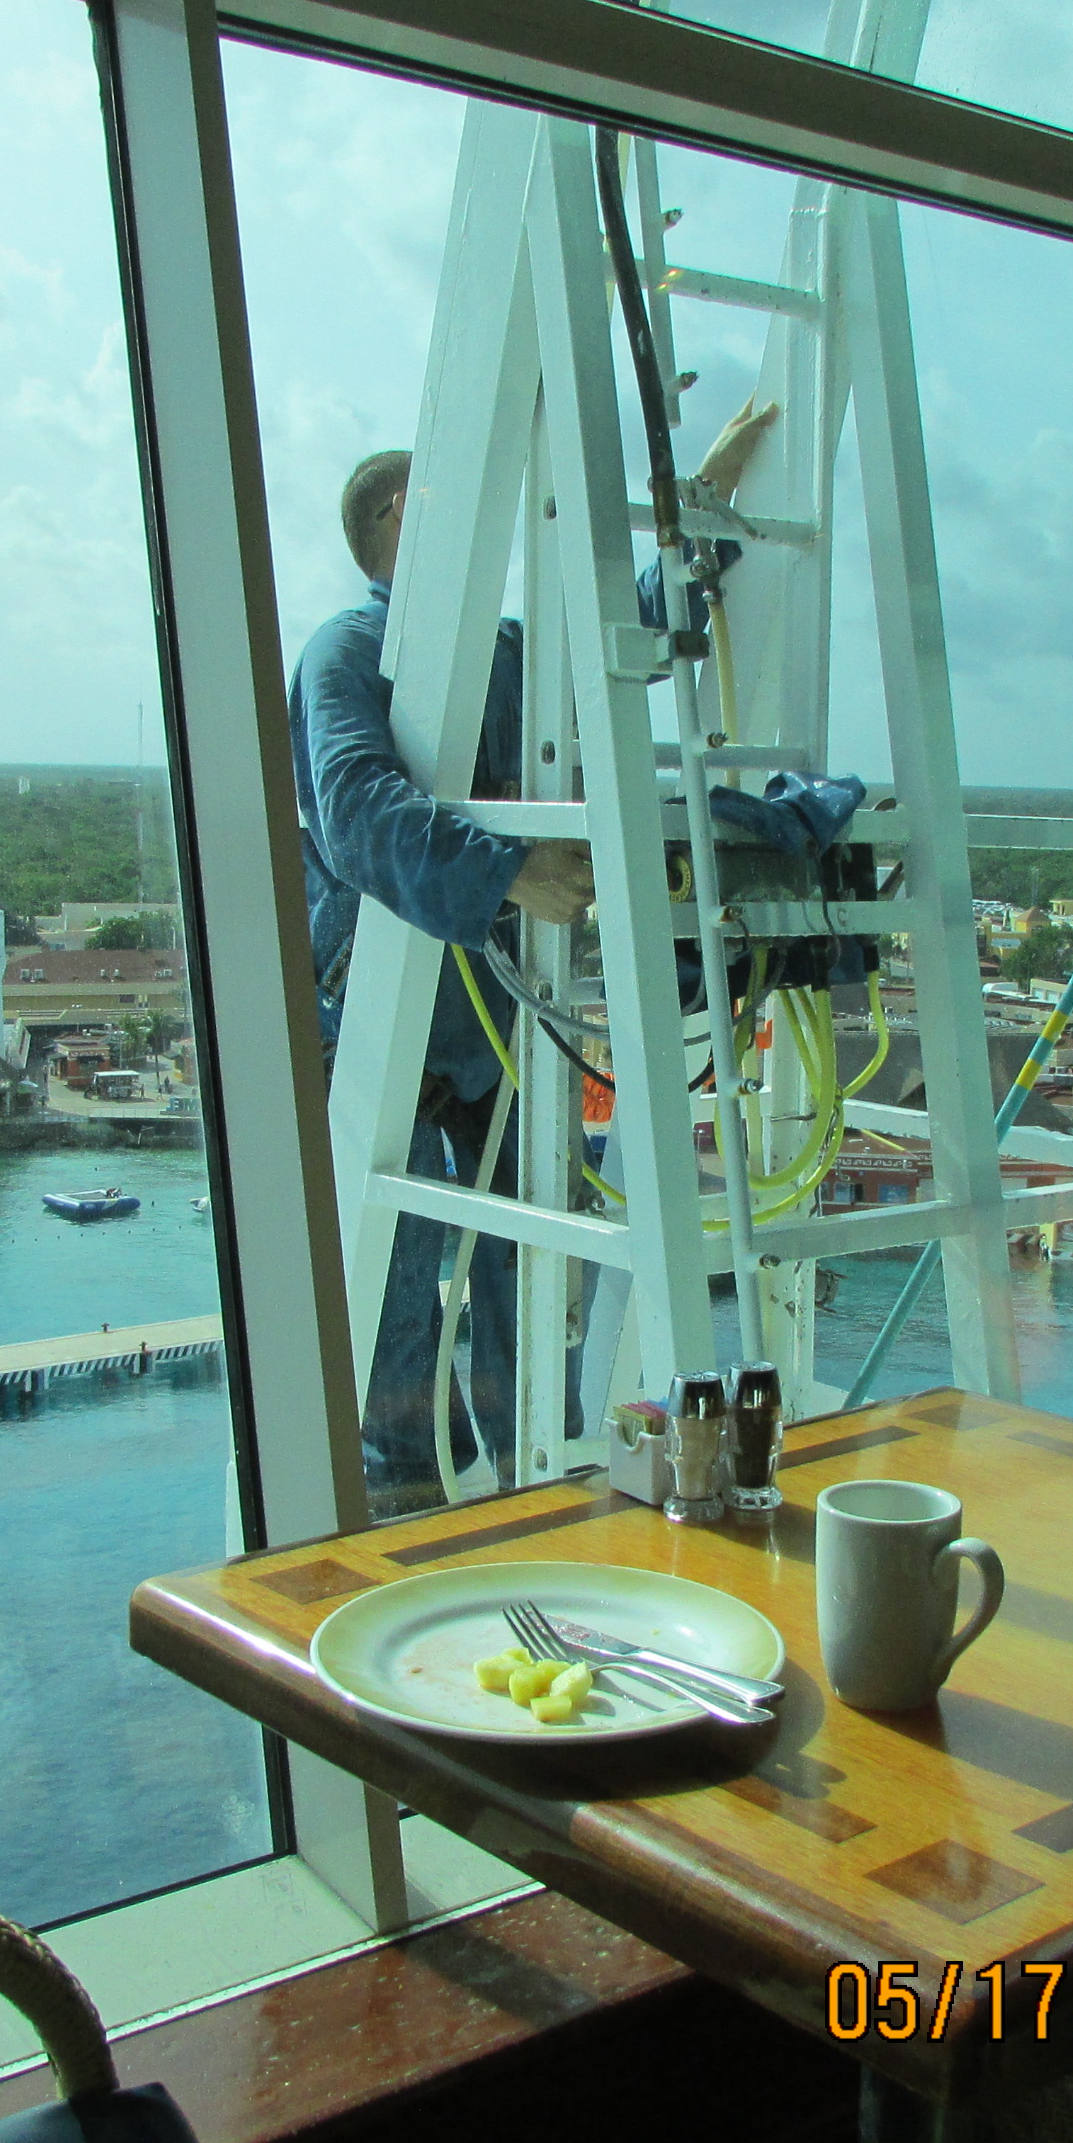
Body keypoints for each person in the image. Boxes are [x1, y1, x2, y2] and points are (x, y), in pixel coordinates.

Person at [291, 400, 777, 1512]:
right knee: (400, 1276)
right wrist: (508, 873)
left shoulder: (507, 659)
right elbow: (356, 811)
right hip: (382, 1014)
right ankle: (404, 1495)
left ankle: (532, 1483)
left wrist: (698, 507)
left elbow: (622, 643)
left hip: (492, 1016)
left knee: (529, 1259)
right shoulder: (348, 652)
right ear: (400, 514)